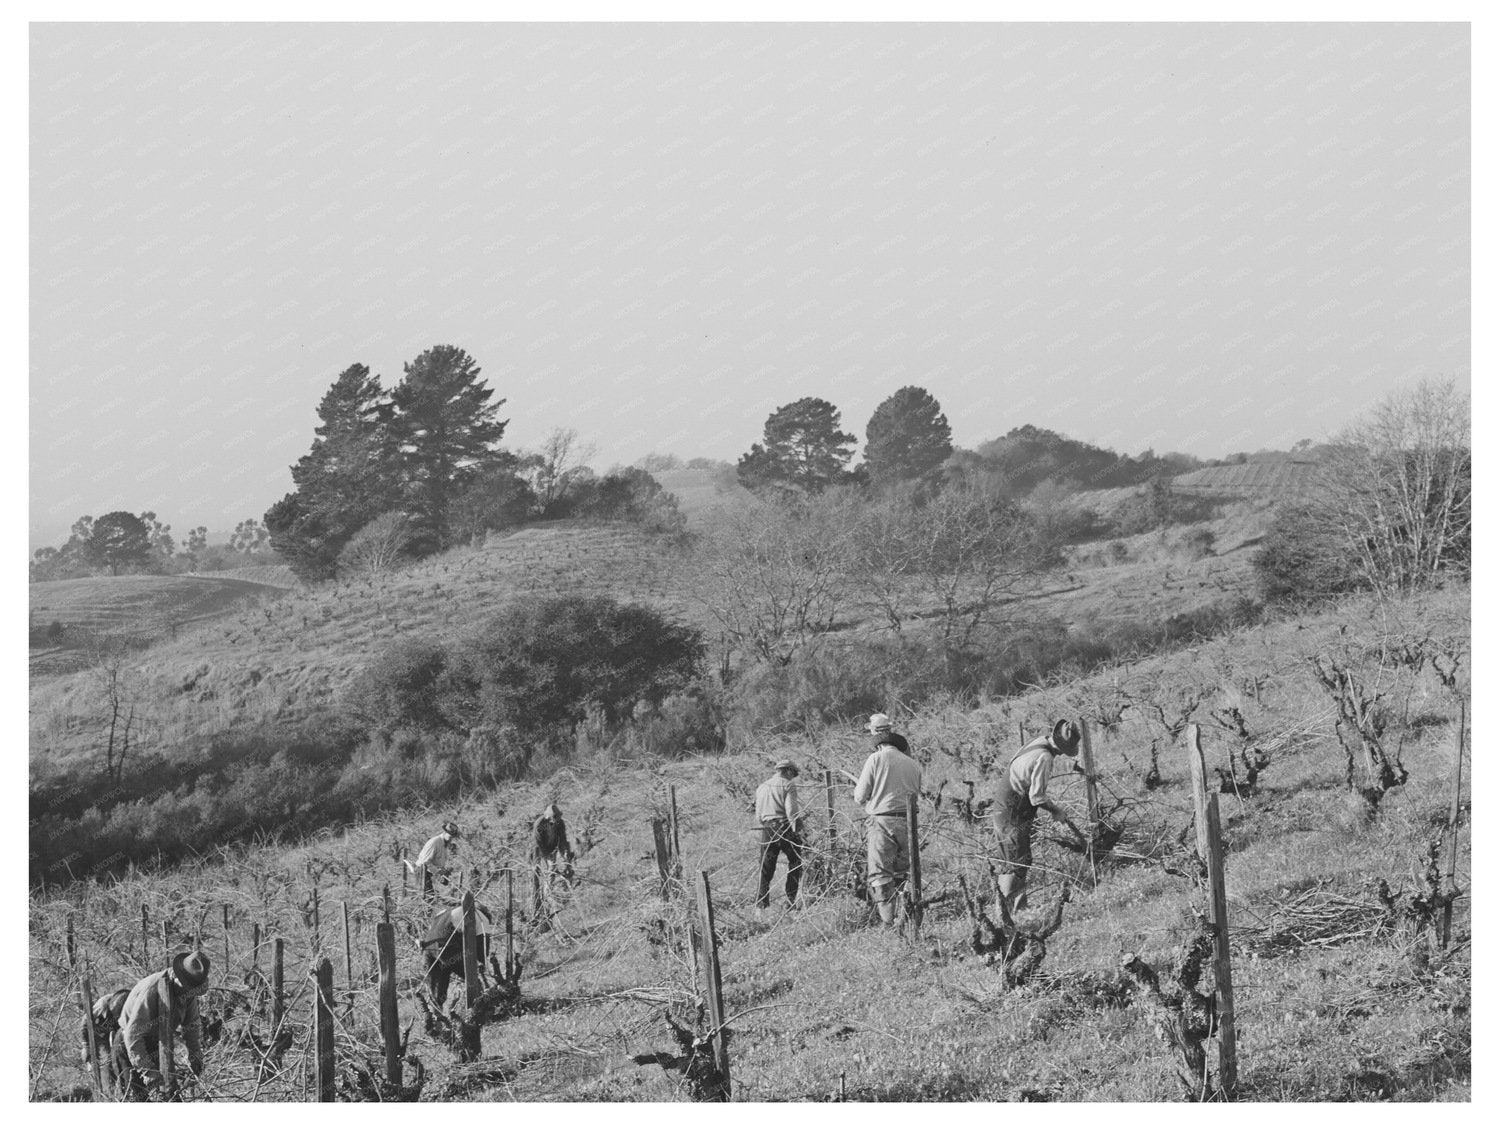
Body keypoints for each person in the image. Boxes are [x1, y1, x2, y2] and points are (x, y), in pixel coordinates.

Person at [993, 719, 1087, 913]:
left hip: (1002, 809)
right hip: (1012, 813)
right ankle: (1010, 912)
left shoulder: (1038, 741)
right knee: (1017, 863)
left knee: (1011, 862)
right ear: (1063, 748)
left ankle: (1011, 909)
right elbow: (1036, 797)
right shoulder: (1045, 757)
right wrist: (1056, 810)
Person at [851, 713, 923, 926]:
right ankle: (903, 913)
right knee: (902, 869)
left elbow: (859, 797)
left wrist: (872, 796)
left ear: (875, 736)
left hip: (882, 823)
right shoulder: (912, 763)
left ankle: (888, 922)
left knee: (881, 873)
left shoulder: (875, 759)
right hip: (908, 823)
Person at [111, 951, 210, 1101]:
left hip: (158, 1044)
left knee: (169, 1095)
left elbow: (192, 1027)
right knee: (139, 1099)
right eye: (187, 986)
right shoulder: (153, 989)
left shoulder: (189, 993)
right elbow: (133, 1034)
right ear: (177, 976)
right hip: (130, 1045)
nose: (188, 992)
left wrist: (195, 1056)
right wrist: (147, 1071)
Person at [420, 902, 493, 1008]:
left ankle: (435, 1016)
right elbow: (483, 948)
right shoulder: (481, 917)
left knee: (437, 993)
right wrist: (481, 966)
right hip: (446, 949)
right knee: (473, 979)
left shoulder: (446, 911)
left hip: (428, 949)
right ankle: (480, 1009)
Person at [754, 759, 805, 910]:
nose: (793, 777)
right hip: (784, 827)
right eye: (793, 774)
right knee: (795, 862)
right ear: (788, 771)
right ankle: (790, 901)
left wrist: (767, 825)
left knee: (765, 868)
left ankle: (761, 905)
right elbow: (791, 811)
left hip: (767, 829)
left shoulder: (762, 787)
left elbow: (758, 815)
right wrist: (797, 829)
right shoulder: (788, 785)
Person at [411, 821, 461, 901]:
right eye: (450, 836)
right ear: (444, 833)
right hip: (421, 871)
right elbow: (425, 862)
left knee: (433, 897)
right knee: (428, 898)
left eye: (452, 837)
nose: (451, 839)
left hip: (429, 872)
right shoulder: (434, 842)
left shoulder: (444, 844)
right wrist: (438, 873)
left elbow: (438, 862)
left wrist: (443, 872)